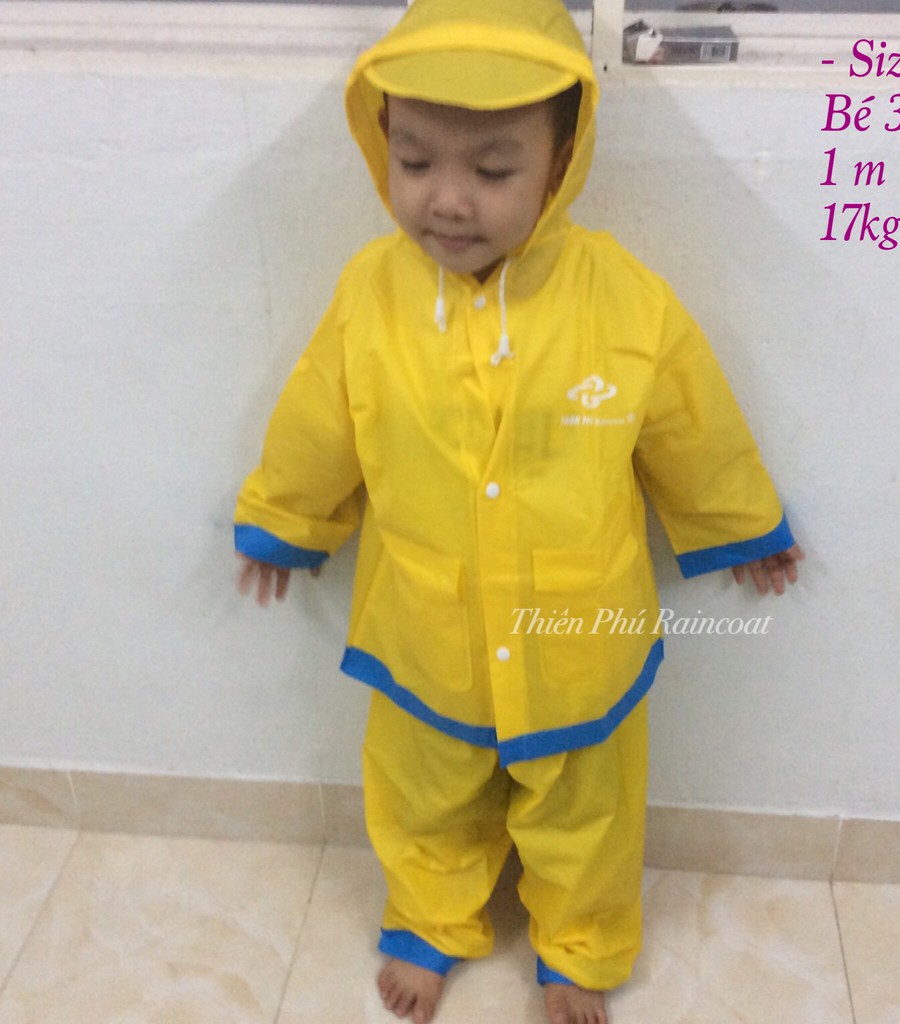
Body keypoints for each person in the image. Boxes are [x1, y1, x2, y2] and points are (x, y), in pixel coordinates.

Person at [234, 1, 803, 1022]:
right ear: (381, 143)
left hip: (577, 633)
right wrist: (287, 517)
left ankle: (577, 942)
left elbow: (690, 420)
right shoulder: (370, 294)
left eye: (493, 170)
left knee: (587, 809)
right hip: (426, 629)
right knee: (422, 791)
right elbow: (320, 416)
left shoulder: (620, 299)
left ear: (561, 161)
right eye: (414, 161)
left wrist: (739, 523)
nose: (447, 200)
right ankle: (428, 916)